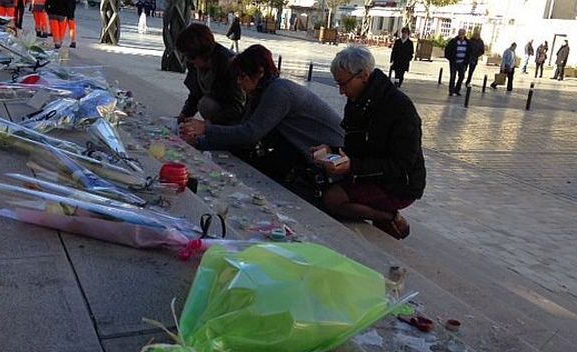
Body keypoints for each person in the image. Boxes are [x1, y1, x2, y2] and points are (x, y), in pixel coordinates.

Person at [180, 44, 344, 189]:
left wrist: (205, 129)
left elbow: (250, 133)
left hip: (332, 155)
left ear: (259, 73)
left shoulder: (278, 91)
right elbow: (242, 126)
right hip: (304, 152)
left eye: (242, 76)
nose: (238, 82)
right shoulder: (262, 91)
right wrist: (200, 141)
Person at [313, 46, 426, 240]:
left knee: (332, 199)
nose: (341, 91)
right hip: (371, 172)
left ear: (363, 76)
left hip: (400, 183)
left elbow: (402, 164)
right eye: (337, 84)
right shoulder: (358, 99)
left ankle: (387, 216)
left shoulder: (399, 108)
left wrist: (353, 167)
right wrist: (331, 151)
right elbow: (356, 145)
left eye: (343, 84)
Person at [175, 23, 245, 125]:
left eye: (190, 57)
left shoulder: (227, 64)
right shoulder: (195, 64)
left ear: (202, 54)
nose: (189, 61)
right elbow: (195, 93)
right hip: (220, 106)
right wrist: (184, 115)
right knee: (204, 103)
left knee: (206, 104)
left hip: (235, 115)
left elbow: (237, 106)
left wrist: (207, 124)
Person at [445, 28, 470, 96]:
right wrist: (451, 59)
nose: (461, 35)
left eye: (462, 34)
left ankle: (457, 90)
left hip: (462, 63)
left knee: (461, 76)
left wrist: (467, 62)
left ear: (464, 34)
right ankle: (451, 91)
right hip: (454, 62)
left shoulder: (467, 42)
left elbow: (469, 53)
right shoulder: (453, 41)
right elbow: (447, 50)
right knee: (453, 76)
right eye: (460, 33)